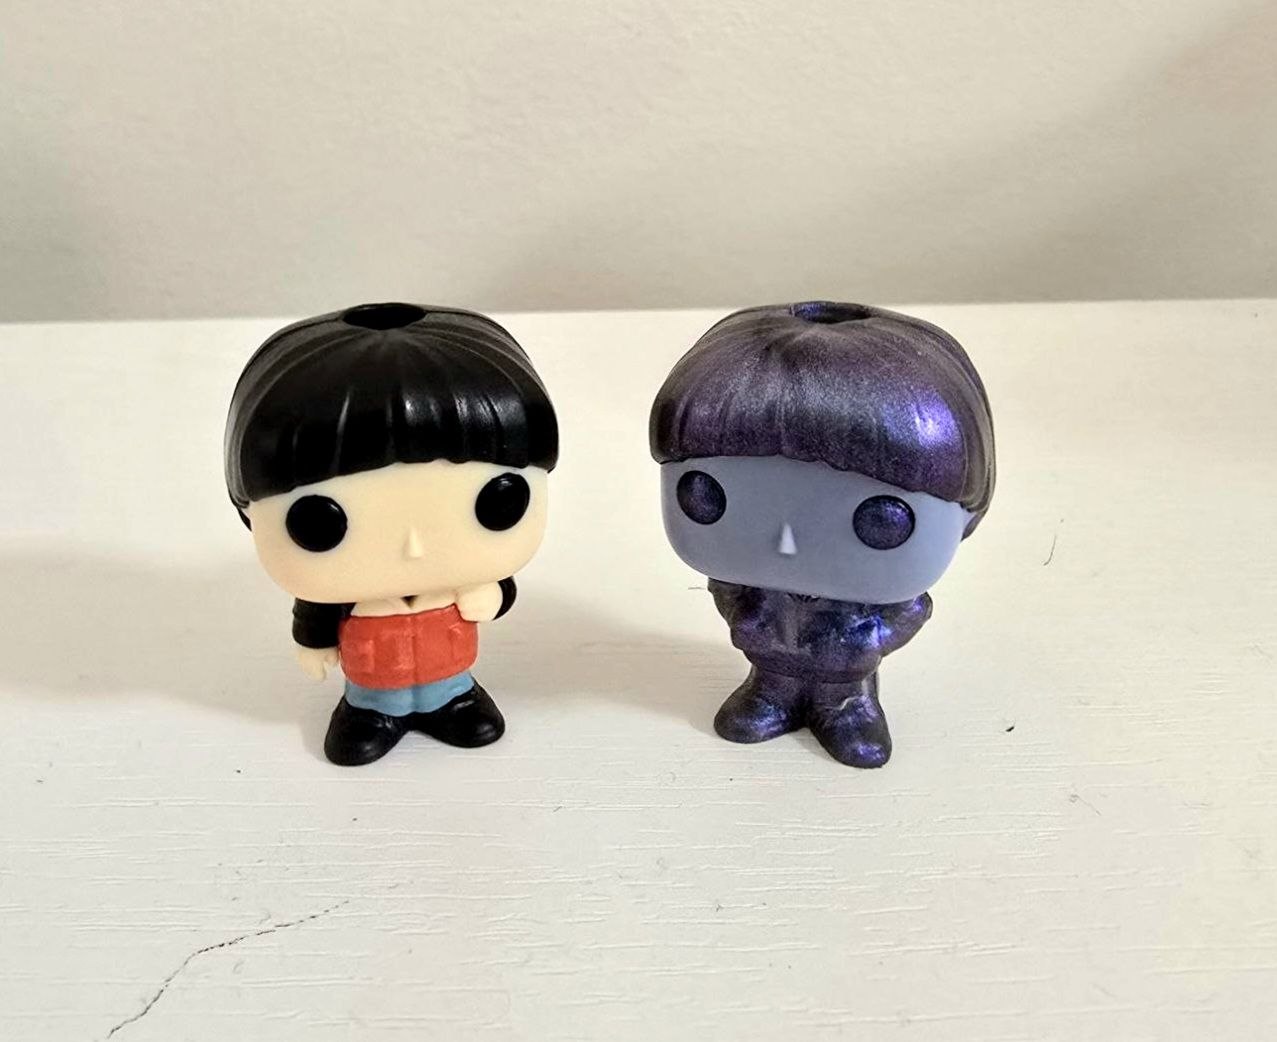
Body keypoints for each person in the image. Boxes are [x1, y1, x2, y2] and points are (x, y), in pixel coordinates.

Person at [649, 301, 995, 767]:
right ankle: (769, 699)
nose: (785, 541)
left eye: (881, 520)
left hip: (846, 675)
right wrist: (746, 616)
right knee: (769, 691)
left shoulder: (877, 598)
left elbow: (912, 611)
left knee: (843, 704)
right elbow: (726, 591)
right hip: (770, 661)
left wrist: (868, 639)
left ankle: (848, 713)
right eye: (707, 496)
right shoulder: (746, 582)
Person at [225, 302, 558, 765]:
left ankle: (454, 702)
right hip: (371, 683)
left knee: (454, 694)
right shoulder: (340, 593)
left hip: (451, 673)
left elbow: (501, 591)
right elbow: (316, 612)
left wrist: (493, 595)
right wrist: (314, 641)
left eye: (496, 502)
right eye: (320, 522)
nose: (413, 547)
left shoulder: (464, 577)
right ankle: (370, 714)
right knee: (371, 710)